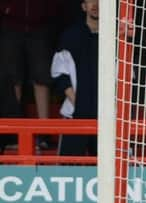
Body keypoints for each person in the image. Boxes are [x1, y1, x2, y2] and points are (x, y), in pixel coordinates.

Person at [0, 0, 64, 148]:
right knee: (12, 79)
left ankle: (44, 132)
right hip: (10, 25)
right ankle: (13, 133)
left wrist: (47, 11)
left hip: (40, 26)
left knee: (42, 78)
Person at [52, 0, 99, 156]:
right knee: (67, 169)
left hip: (107, 117)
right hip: (75, 114)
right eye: (91, 1)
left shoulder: (116, 37)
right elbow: (59, 74)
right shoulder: (71, 36)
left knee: (110, 172)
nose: (96, 4)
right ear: (83, 6)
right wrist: (76, 101)